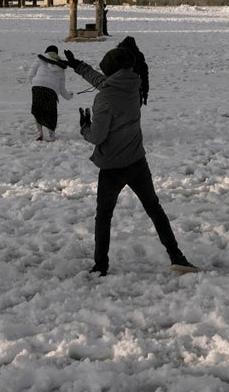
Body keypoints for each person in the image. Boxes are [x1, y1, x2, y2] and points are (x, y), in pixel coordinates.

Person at [63, 47, 196, 276]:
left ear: (113, 70)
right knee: (155, 209)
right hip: (137, 161)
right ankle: (177, 256)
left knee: (104, 216)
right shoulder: (134, 84)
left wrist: (85, 127)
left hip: (112, 167)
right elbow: (103, 81)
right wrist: (78, 66)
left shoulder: (104, 97)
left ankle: (101, 266)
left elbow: (97, 136)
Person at [28, 45, 72, 141]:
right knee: (51, 112)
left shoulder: (39, 58)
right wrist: (69, 96)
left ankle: (40, 132)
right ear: (56, 53)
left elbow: (30, 74)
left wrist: (34, 82)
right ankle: (51, 135)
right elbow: (61, 88)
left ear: (46, 51)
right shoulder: (60, 66)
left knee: (37, 109)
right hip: (51, 90)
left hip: (37, 87)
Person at [117, 36, 149, 105]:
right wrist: (145, 94)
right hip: (134, 90)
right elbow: (144, 77)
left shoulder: (116, 55)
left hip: (117, 89)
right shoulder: (139, 56)